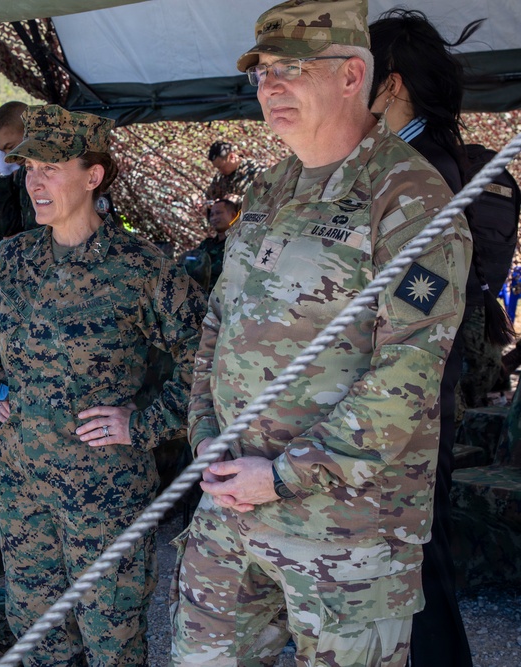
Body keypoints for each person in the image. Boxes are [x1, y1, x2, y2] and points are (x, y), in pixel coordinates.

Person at [169, 2, 472, 666]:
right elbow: (221, 319)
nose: (270, 87)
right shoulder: (272, 185)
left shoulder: (410, 200)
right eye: (263, 72)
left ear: (351, 75)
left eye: (293, 70)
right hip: (231, 513)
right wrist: (203, 436)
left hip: (344, 538)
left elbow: (406, 382)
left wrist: (278, 475)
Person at [0, 104, 205, 666]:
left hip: (104, 491)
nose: (35, 181)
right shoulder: (12, 260)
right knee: (38, 635)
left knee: (112, 641)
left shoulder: (143, 267)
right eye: (28, 167)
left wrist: (143, 421)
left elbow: (207, 359)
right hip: (22, 479)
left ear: (93, 176)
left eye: (51, 166)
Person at [368, 10, 496, 667]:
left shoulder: (424, 171)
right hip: (415, 396)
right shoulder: (418, 158)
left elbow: (424, 294)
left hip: (410, 400)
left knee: (417, 567)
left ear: (389, 85)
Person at [0, 100, 37, 242]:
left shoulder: (64, 167)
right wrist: (2, 174)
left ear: (30, 130)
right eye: (3, 151)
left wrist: (27, 239)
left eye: (10, 146)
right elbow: (6, 228)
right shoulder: (23, 173)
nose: (9, 156)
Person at [181, 194, 240, 294]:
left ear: (233, 215)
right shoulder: (206, 245)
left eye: (218, 213)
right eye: (212, 215)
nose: (214, 218)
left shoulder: (239, 244)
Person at [203, 140, 265, 207]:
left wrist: (239, 200)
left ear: (232, 157)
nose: (220, 171)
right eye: (217, 168)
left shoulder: (255, 169)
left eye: (221, 167)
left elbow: (268, 195)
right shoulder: (219, 178)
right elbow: (210, 196)